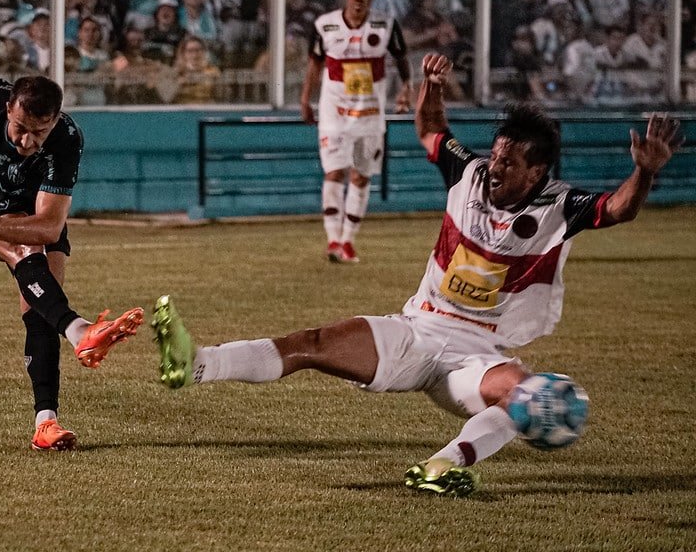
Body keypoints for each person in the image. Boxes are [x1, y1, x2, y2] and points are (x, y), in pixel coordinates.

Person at [150, 52, 683, 495]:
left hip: (480, 352)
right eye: (495, 156)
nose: (495, 168)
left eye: (509, 163)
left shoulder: (560, 206)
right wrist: (432, 86)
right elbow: (431, 128)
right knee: (310, 343)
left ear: (537, 171)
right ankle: (195, 364)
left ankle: (444, 465)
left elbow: (618, 209)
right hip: (418, 328)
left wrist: (646, 170)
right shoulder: (468, 173)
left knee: (524, 394)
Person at [0, 72, 144, 451]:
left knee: (42, 303)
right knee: (28, 258)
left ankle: (45, 422)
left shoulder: (67, 139)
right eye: (20, 128)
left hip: (32, 202)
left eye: (40, 132)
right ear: (7, 107)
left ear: (56, 120)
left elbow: (48, 227)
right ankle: (80, 331)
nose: (27, 142)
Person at [300, 0, 411, 264]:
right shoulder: (325, 25)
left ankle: (348, 240)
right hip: (334, 110)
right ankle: (333, 239)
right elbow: (314, 63)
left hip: (370, 113)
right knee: (334, 171)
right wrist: (305, 99)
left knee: (361, 177)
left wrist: (406, 89)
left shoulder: (385, 25)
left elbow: (401, 59)